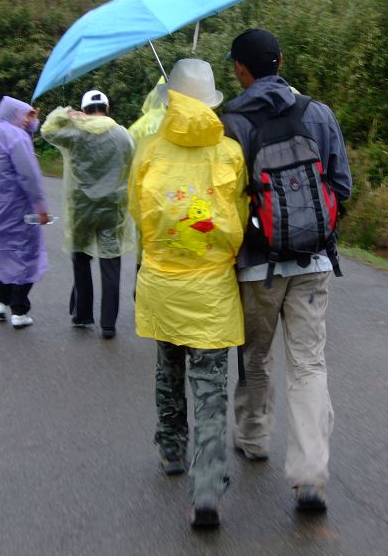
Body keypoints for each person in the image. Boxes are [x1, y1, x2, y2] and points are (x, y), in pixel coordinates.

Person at [220, 29, 353, 512]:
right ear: (281, 60)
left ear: (241, 69)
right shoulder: (317, 113)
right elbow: (342, 186)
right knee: (309, 364)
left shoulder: (230, 122)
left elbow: (225, 200)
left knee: (255, 356)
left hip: (257, 267)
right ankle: (310, 476)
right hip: (314, 262)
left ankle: (254, 437)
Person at [128, 59, 248, 527]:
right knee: (211, 387)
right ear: (211, 102)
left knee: (168, 364)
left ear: (170, 101)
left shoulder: (149, 150)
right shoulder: (230, 153)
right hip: (212, 288)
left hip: (162, 280)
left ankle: (171, 449)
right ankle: (207, 490)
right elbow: (239, 216)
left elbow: (137, 211)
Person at [41, 89, 135, 339]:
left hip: (81, 208)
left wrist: (66, 113)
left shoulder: (75, 134)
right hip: (112, 208)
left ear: (84, 110)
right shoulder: (124, 135)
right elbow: (132, 162)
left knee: (81, 259)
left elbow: (47, 131)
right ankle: (108, 324)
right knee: (110, 262)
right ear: (107, 108)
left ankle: (82, 314)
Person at [0, 96, 51, 329]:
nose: (29, 121)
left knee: (3, 255)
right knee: (26, 256)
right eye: (27, 116)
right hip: (16, 209)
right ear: (16, 114)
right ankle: (19, 310)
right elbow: (29, 177)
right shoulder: (17, 137)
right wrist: (41, 209)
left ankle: (0, 302)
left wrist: (31, 124)